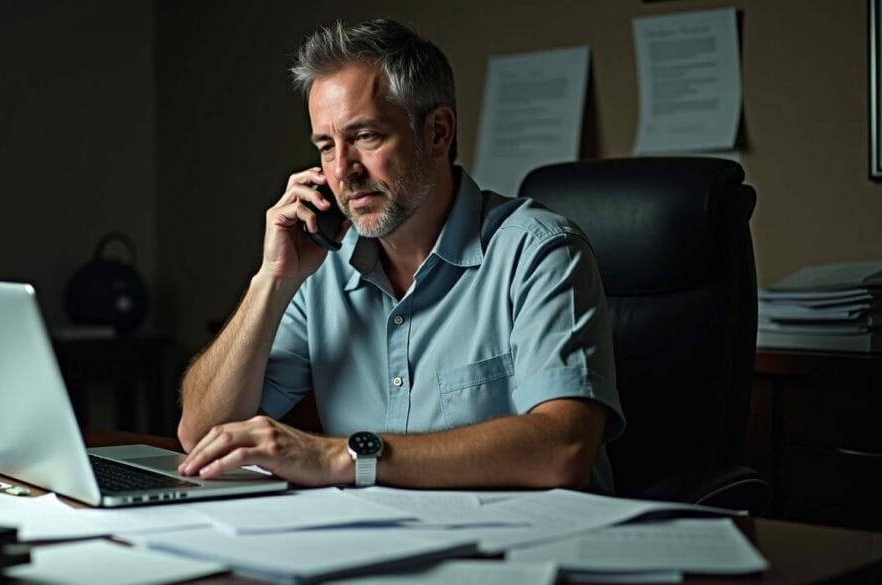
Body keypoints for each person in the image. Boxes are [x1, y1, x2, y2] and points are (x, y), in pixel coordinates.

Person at [177, 18, 624, 492]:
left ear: (437, 133)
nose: (342, 172)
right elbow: (201, 434)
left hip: (528, 548)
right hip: (377, 544)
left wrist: (342, 456)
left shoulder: (539, 252)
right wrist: (271, 279)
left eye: (365, 136)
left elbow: (565, 450)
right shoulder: (321, 268)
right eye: (327, 146)